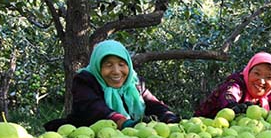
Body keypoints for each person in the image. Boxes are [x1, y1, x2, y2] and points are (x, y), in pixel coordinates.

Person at [44, 40, 179, 131]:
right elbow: (94, 107)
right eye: (108, 65)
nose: (116, 71)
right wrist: (122, 122)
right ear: (98, 65)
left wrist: (169, 117)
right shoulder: (85, 80)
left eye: (121, 64)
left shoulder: (134, 82)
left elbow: (152, 103)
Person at [194, 52, 271, 118]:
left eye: (269, 77)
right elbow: (229, 94)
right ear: (248, 72)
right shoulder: (236, 83)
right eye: (257, 73)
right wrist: (232, 106)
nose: (262, 81)